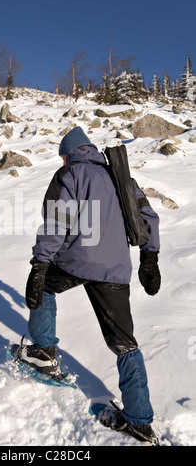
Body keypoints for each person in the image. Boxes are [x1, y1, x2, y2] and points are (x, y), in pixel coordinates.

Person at [21, 126, 161, 442]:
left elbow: (57, 222)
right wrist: (149, 257)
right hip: (116, 268)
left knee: (44, 287)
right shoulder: (120, 176)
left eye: (62, 156)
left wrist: (40, 264)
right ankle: (140, 420)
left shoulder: (69, 174)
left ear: (68, 153)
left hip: (75, 260)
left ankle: (43, 352)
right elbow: (148, 217)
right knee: (125, 342)